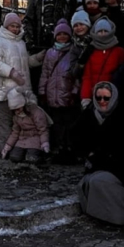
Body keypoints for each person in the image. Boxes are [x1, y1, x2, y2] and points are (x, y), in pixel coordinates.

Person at [71, 81, 124, 226]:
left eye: (106, 98)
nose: (102, 102)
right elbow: (74, 136)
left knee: (99, 182)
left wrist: (105, 155)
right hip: (97, 164)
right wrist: (88, 152)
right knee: (84, 184)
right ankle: (100, 215)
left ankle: (119, 215)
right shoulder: (90, 114)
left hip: (122, 167)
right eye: (98, 98)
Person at [0, 12, 41, 154]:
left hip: (20, 91)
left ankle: (15, 149)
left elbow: (25, 63)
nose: (16, 29)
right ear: (6, 26)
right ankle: (2, 149)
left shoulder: (21, 43)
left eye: (18, 26)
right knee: (5, 122)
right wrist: (11, 72)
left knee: (18, 123)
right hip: (5, 91)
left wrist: (37, 58)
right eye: (12, 26)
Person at [37, 19, 80, 162]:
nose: (62, 37)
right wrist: (42, 91)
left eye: (65, 34)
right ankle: (59, 148)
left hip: (67, 94)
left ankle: (69, 149)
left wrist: (75, 91)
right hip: (52, 94)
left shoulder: (73, 51)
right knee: (56, 124)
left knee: (69, 124)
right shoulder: (50, 53)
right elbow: (45, 73)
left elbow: (76, 76)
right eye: (59, 34)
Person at [80, 19, 124, 108]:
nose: (103, 34)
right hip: (95, 96)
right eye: (100, 31)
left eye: (105, 31)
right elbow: (87, 77)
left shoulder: (119, 51)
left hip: (114, 97)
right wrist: (85, 97)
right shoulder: (90, 51)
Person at [1, 88, 50, 164]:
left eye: (18, 108)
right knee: (14, 157)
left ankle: (41, 156)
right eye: (15, 110)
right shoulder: (16, 116)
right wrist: (8, 146)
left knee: (32, 158)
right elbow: (15, 132)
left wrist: (44, 143)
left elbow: (43, 130)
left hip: (35, 139)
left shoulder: (36, 112)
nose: (17, 111)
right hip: (22, 140)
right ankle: (24, 155)